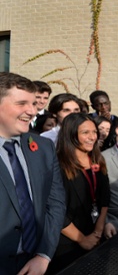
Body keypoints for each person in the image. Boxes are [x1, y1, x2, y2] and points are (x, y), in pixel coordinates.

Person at [0, 72, 66, 275]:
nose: (32, 111)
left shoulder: (43, 147)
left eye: (33, 103)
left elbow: (55, 203)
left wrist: (44, 255)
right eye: (22, 103)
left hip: (36, 264)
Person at [48, 113, 110, 273]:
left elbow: (104, 199)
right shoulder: (57, 166)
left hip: (96, 236)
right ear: (71, 134)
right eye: (85, 133)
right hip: (68, 244)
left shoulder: (98, 160)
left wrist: (97, 232)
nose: (92, 137)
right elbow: (54, 210)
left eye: (94, 132)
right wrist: (82, 239)